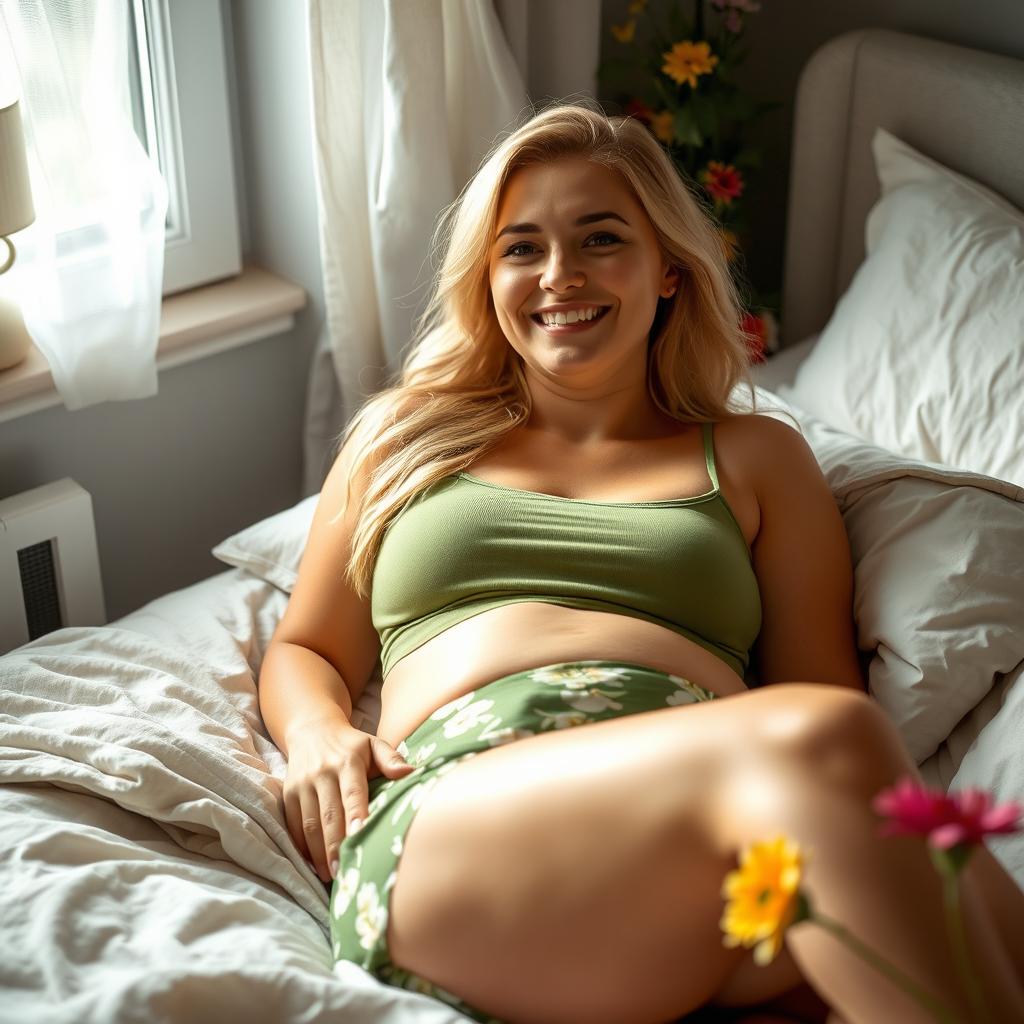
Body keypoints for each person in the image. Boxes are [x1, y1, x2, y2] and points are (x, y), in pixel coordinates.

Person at [257, 101, 1024, 1024]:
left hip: (705, 863)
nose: (558, 275)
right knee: (866, 787)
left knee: (960, 883)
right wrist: (316, 735)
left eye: (600, 238)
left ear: (668, 270)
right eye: (521, 248)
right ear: (487, 279)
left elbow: (826, 696)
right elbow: (305, 648)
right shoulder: (404, 440)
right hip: (465, 830)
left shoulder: (754, 456)